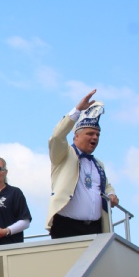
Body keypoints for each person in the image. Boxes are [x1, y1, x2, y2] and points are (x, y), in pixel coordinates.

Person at [46, 89, 119, 238]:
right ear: (76, 136)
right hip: (66, 226)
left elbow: (106, 186)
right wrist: (78, 109)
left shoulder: (98, 164)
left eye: (97, 134)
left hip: (96, 228)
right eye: (90, 134)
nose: (95, 137)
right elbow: (57, 136)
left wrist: (111, 194)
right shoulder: (63, 155)